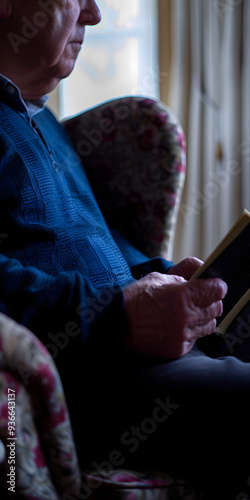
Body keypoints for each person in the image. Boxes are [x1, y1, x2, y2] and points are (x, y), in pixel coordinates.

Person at [0, 1, 250, 499]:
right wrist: (116, 315)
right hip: (92, 378)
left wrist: (164, 279)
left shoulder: (41, 118)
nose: (94, 15)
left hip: (145, 352)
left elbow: (96, 242)